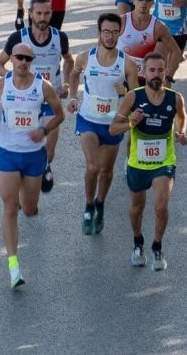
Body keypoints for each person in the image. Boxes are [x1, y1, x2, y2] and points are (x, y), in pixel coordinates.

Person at [0, 42, 65, 289]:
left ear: (32, 61)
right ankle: (13, 265)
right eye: (19, 57)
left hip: (33, 155)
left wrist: (44, 129)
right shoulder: (2, 84)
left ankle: (27, 191)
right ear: (12, 60)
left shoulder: (43, 87)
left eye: (28, 58)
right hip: (6, 152)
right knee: (9, 207)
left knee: (28, 208)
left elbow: (59, 114)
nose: (23, 62)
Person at [110, 52, 187, 271]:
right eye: (151, 70)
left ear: (165, 72)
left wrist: (181, 132)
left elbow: (182, 116)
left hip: (164, 161)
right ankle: (137, 241)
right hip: (138, 163)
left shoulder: (175, 98)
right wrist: (131, 123)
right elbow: (113, 128)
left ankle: (157, 246)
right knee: (136, 209)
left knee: (161, 207)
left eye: (160, 70)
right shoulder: (133, 97)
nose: (156, 75)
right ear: (143, 73)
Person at [67, 12, 139, 235]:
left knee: (107, 171)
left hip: (113, 124)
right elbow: (74, 74)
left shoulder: (127, 63)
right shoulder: (85, 57)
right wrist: (72, 96)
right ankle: (88, 205)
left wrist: (126, 91)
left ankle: (100, 202)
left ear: (119, 34)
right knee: (93, 167)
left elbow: (136, 95)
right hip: (88, 119)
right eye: (106, 31)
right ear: (99, 33)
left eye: (114, 32)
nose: (109, 36)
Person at [0, 0, 73, 194]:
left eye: (46, 13)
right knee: (23, 149)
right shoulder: (18, 38)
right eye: (38, 13)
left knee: (49, 150)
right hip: (25, 102)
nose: (42, 17)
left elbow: (69, 61)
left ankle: (43, 167)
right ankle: (25, 184)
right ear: (30, 14)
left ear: (51, 14)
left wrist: (65, 83)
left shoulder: (59, 37)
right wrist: (14, 79)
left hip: (50, 101)